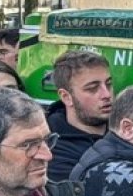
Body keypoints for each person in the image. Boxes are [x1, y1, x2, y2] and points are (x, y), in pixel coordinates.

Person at [47, 50, 112, 182]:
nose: (106, 95)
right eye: (93, 88)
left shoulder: (128, 129)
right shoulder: (53, 149)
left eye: (109, 84)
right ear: (66, 97)